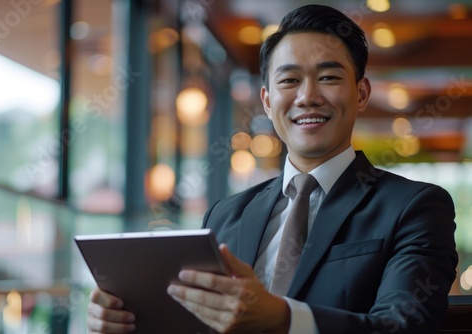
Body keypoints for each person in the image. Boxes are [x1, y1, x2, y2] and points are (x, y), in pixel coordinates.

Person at [86, 4, 458, 333]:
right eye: (289, 80)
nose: (307, 96)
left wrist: (283, 318)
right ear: (267, 101)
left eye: (328, 77)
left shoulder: (415, 207)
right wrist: (130, 323)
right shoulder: (225, 214)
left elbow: (401, 325)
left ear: (361, 94)